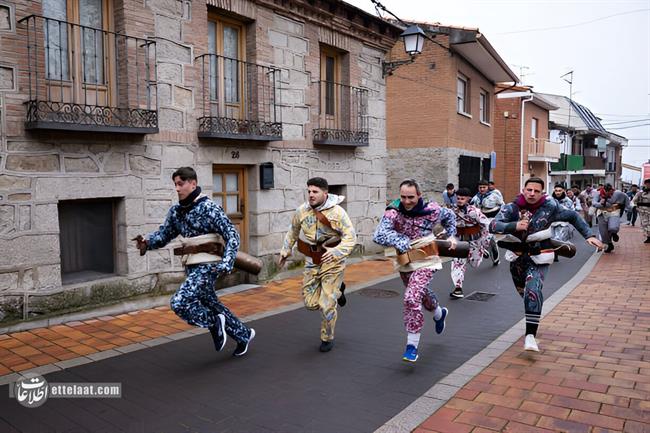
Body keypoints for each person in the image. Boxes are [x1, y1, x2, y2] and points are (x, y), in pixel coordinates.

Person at [133, 167, 255, 357]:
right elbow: (164, 235)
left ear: (193, 184)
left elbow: (232, 235)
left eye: (180, 184)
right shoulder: (176, 212)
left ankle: (214, 323)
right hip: (191, 266)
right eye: (175, 184)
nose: (177, 188)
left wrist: (227, 262)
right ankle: (243, 334)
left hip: (209, 266)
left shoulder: (209, 208)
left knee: (179, 302)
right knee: (212, 304)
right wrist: (146, 243)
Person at [490, 177, 603, 352]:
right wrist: (514, 225)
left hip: (540, 255)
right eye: (529, 190)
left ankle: (530, 336)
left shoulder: (551, 207)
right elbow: (493, 225)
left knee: (533, 291)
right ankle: (533, 311)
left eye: (536, 191)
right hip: (517, 257)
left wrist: (588, 235)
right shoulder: (512, 207)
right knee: (525, 294)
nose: (532, 194)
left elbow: (572, 216)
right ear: (523, 190)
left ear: (542, 192)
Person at [373, 178, 455, 363]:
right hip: (405, 261)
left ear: (419, 195)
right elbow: (378, 235)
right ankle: (439, 313)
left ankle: (412, 346)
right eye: (403, 197)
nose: (407, 201)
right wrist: (401, 241)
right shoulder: (393, 212)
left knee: (411, 297)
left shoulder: (432, 210)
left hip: (427, 258)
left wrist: (450, 237)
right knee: (421, 295)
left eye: (411, 197)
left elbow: (450, 217)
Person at [278, 177, 356, 352]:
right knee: (310, 303)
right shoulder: (302, 211)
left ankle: (327, 337)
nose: (311, 195)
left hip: (333, 261)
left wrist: (336, 252)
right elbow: (293, 230)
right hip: (312, 261)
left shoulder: (338, 213)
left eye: (315, 192)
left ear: (325, 193)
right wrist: (285, 250)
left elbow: (351, 237)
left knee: (326, 303)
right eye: (309, 191)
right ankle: (339, 290)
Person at [449, 188, 490, 299]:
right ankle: (458, 289)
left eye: (462, 198)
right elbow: (448, 225)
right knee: (457, 263)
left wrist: (484, 241)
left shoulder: (475, 211)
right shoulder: (452, 211)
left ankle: (482, 252)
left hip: (474, 241)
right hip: (459, 242)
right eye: (458, 198)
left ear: (468, 199)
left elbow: (486, 225)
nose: (460, 200)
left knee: (474, 264)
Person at [471, 179, 503, 265]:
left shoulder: (495, 195)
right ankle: (483, 251)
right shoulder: (475, 198)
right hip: (480, 220)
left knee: (490, 239)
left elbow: (502, 206)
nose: (482, 189)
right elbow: (472, 209)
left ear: (487, 187)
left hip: (492, 219)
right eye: (480, 187)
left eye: (484, 187)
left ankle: (496, 259)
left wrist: (501, 220)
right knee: (477, 239)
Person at [593, 183, 629, 253]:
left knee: (613, 227)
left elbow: (626, 198)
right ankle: (609, 244)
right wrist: (600, 204)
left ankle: (614, 233)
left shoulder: (618, 193)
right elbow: (594, 202)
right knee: (603, 232)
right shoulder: (598, 194)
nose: (607, 192)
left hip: (614, 211)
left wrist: (629, 207)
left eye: (609, 190)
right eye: (606, 190)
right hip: (602, 212)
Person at [632, 179, 650, 243]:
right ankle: (648, 237)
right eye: (647, 184)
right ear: (645, 184)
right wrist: (637, 207)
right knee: (645, 224)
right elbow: (634, 201)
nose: (648, 185)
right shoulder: (641, 193)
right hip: (644, 211)